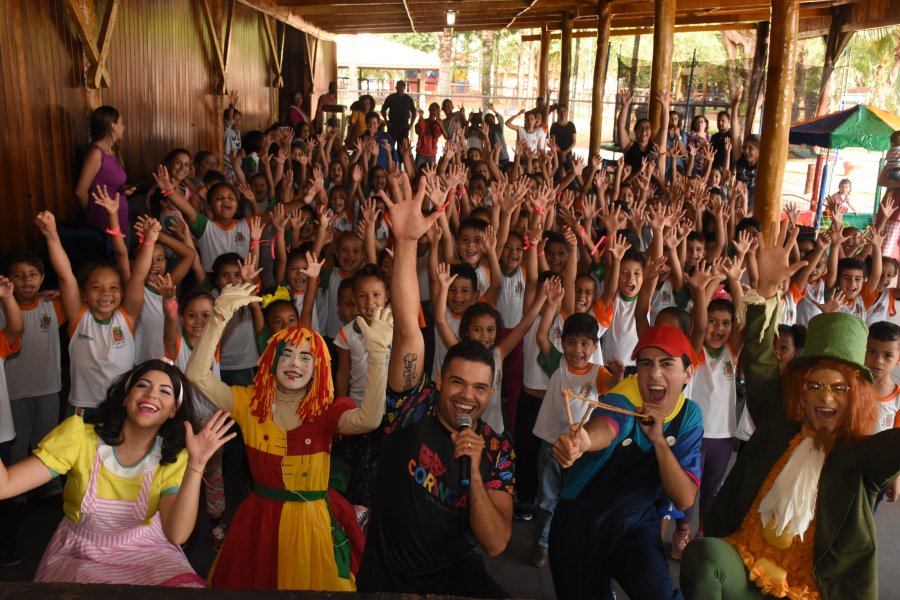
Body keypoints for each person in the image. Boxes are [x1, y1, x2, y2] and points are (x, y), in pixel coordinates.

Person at [681, 221, 900, 600]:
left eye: (839, 388)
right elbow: (761, 361)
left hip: (809, 589)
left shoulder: (861, 455)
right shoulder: (779, 418)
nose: (825, 398)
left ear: (857, 397)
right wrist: (765, 289)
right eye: (814, 385)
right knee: (704, 557)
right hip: (747, 563)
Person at [356, 174, 514, 598]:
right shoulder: (413, 405)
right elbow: (409, 328)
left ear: (491, 391)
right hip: (391, 578)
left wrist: (475, 472)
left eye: (480, 389)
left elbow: (497, 543)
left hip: (456, 574)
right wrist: (407, 243)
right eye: (458, 382)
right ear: (439, 380)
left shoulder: (496, 449)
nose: (467, 395)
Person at [186, 282, 393, 591]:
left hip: (312, 525)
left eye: (306, 358)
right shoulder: (248, 403)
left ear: (318, 368)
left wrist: (378, 357)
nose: (295, 363)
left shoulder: (326, 412)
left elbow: (370, 418)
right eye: (287, 355)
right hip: (259, 524)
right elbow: (196, 375)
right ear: (272, 359)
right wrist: (218, 318)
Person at [0, 360, 235, 587]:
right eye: (142, 385)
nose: (152, 394)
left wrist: (197, 464)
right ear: (126, 398)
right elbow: (5, 485)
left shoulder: (172, 457)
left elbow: (176, 534)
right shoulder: (79, 437)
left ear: (173, 410)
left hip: (147, 551)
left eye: (165, 391)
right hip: (80, 553)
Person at [548, 323, 702, 599]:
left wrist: (657, 441)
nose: (654, 373)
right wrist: (582, 441)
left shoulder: (689, 416)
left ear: (688, 373)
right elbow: (606, 426)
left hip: (636, 524)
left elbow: (685, 499)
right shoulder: (623, 397)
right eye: (645, 363)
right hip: (580, 521)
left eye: (667, 363)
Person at [75, 105, 133, 233]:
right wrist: (95, 214)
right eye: (122, 123)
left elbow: (108, 184)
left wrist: (123, 190)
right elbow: (80, 192)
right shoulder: (96, 153)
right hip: (104, 224)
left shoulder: (114, 151)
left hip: (121, 220)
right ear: (113, 125)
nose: (123, 127)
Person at [380, 80, 417, 148]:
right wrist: (386, 121)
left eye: (401, 87)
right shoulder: (391, 98)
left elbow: (414, 112)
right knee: (389, 147)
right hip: (392, 126)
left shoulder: (408, 99)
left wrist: (411, 124)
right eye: (398, 87)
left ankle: (401, 159)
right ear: (396, 87)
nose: (399, 88)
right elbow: (383, 110)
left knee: (402, 148)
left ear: (404, 87)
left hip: (404, 127)